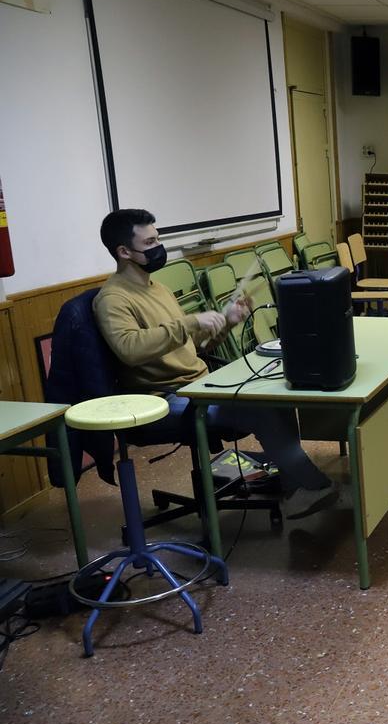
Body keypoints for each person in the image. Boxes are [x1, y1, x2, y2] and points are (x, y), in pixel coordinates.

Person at [92, 208, 338, 517]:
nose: (158, 247)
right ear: (124, 251)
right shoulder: (112, 299)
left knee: (276, 395)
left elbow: (193, 345)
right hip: (163, 400)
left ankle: (294, 486)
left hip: (196, 385)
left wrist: (228, 322)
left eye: (158, 238)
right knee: (258, 409)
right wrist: (190, 322)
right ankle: (313, 486)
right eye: (150, 242)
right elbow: (128, 349)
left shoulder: (159, 289)